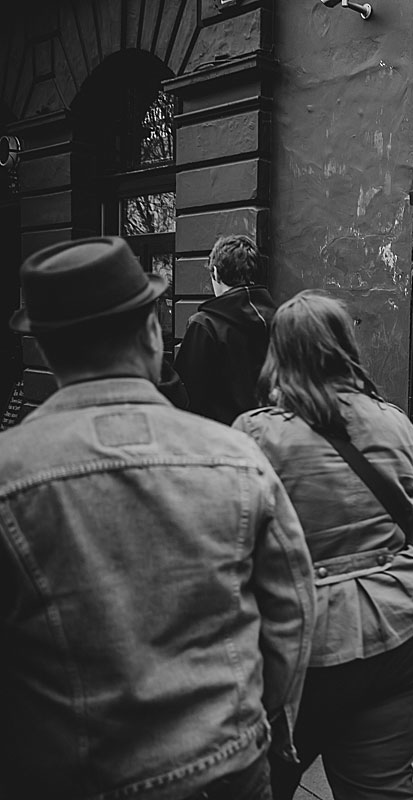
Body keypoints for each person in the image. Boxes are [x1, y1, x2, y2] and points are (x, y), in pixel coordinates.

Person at [0, 237, 316, 800]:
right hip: (228, 763)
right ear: (151, 334)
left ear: (47, 353)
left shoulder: (9, 479)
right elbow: (292, 611)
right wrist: (257, 720)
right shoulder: (240, 459)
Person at [232, 291, 413, 800]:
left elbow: (235, 548)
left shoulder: (254, 435)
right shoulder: (394, 421)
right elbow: (409, 525)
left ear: (278, 352)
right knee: (382, 787)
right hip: (404, 621)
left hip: (304, 640)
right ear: (347, 345)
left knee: (260, 783)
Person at [175, 233, 277, 423]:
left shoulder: (204, 325)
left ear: (215, 272)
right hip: (273, 438)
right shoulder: (281, 320)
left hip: (220, 440)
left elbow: (187, 396)